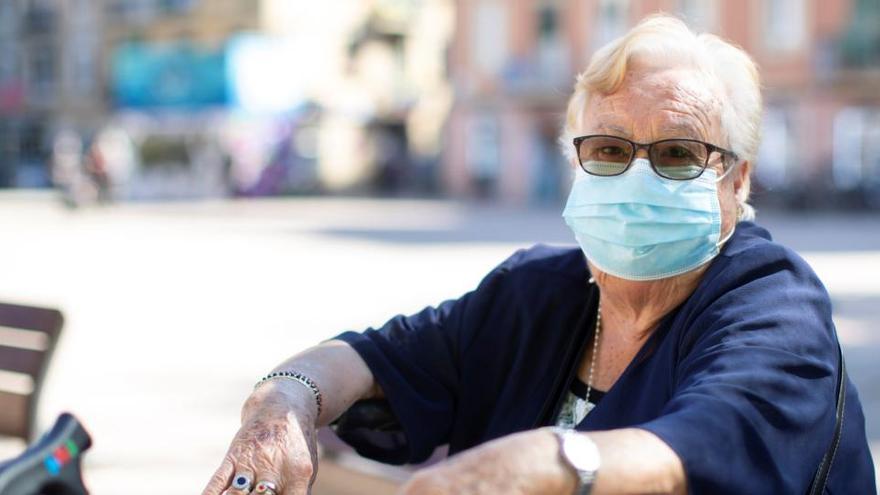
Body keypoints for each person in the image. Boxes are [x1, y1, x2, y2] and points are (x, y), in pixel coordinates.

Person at [203, 15, 876, 495]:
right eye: (609, 149)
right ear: (575, 162)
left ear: (738, 179)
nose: (638, 176)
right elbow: (369, 357)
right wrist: (283, 407)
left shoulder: (772, 302)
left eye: (677, 154)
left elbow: (707, 442)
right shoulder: (538, 292)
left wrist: (545, 466)